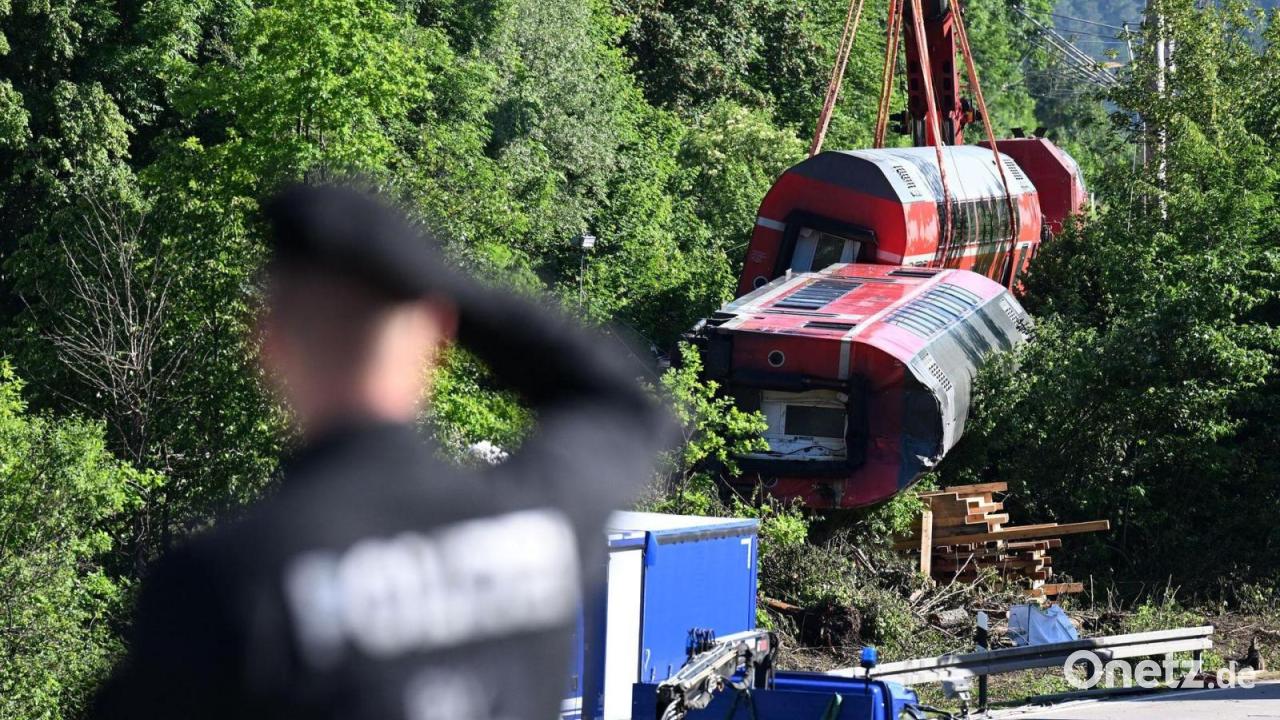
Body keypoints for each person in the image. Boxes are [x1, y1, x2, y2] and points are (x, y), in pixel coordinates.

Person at [93, 184, 673, 720]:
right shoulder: (541, 519)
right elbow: (622, 401)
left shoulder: (226, 585)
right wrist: (447, 290)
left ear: (268, 345)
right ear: (437, 334)